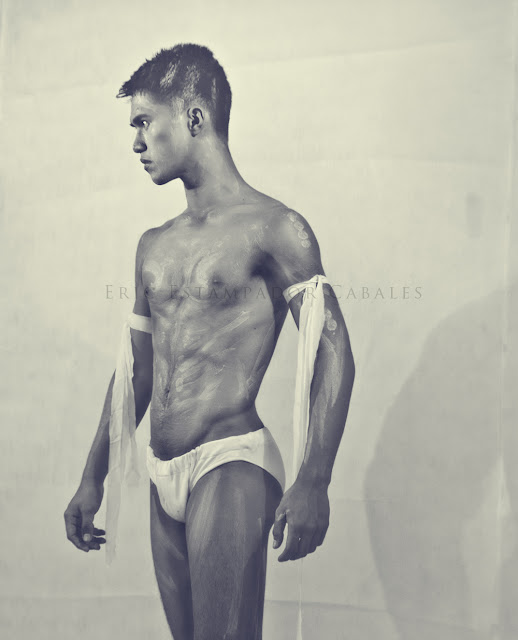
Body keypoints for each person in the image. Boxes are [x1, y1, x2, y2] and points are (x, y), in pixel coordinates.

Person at [64, 43, 355, 640]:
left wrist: (315, 477)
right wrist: (93, 475)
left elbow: (332, 350)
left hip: (230, 462)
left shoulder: (275, 227)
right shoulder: (153, 244)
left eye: (144, 121)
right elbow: (137, 370)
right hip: (162, 472)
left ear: (194, 117)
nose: (136, 142)